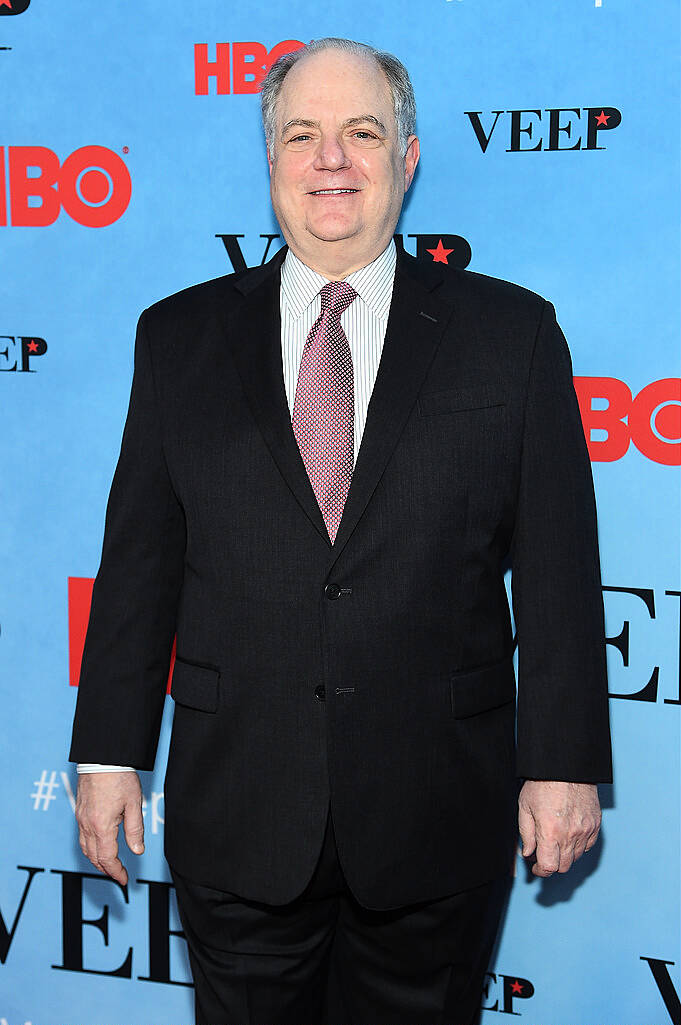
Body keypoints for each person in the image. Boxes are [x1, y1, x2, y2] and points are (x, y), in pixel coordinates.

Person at [69, 36, 612, 1025]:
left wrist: (564, 758)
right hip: (238, 804)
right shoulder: (177, 336)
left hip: (438, 808)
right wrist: (109, 750)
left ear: (407, 158)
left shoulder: (513, 334)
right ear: (269, 159)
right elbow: (140, 560)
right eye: (303, 134)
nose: (332, 160)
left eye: (363, 132)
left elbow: (561, 569)